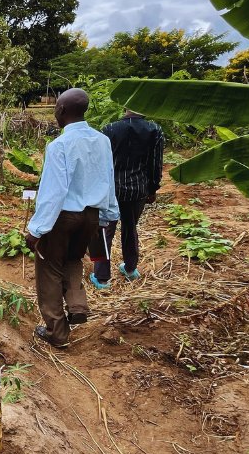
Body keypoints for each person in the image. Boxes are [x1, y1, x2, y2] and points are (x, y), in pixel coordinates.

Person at [24, 89, 119, 347]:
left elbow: (54, 192)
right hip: (91, 216)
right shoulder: (102, 141)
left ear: (62, 110)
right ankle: (77, 305)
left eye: (56, 107)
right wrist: (110, 214)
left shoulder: (59, 146)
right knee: (74, 260)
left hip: (63, 217)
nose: (55, 110)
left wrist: (37, 230)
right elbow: (108, 179)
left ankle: (57, 332)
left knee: (50, 268)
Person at [90, 110, 164, 288]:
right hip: (138, 190)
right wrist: (152, 189)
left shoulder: (109, 129)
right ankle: (130, 268)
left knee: (104, 230)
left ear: (125, 108)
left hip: (111, 188)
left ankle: (101, 277)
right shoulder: (154, 130)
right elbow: (156, 163)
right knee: (131, 228)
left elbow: (100, 162)